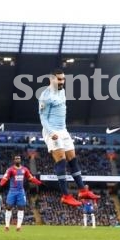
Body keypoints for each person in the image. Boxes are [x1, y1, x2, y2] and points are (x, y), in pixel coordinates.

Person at [39, 68, 99, 207]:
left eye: (63, 79)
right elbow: (42, 117)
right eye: (59, 79)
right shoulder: (45, 96)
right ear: (51, 79)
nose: (62, 81)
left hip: (63, 130)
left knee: (73, 159)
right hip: (52, 131)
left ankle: (83, 190)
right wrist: (50, 132)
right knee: (61, 161)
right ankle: (66, 195)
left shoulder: (62, 91)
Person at [0, 155, 42, 232]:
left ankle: (18, 227)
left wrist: (39, 183)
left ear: (20, 160)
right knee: (8, 207)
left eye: (19, 159)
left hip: (21, 192)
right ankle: (7, 226)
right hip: (12, 191)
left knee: (21, 208)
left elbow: (31, 178)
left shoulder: (25, 169)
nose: (18, 160)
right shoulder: (10, 170)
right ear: (14, 160)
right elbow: (4, 178)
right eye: (16, 159)